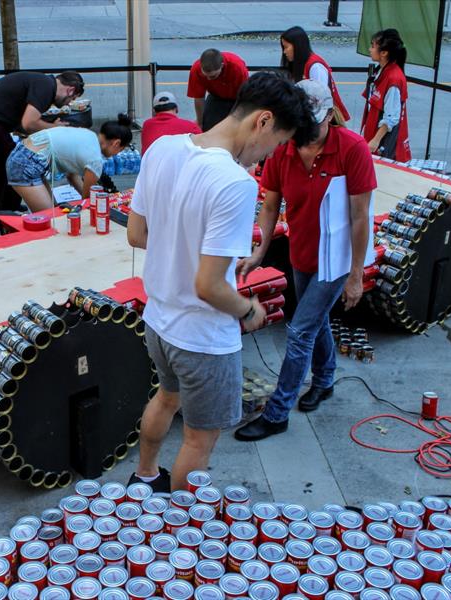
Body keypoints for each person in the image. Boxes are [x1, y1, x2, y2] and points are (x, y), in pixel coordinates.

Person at [126, 72, 316, 492]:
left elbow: (137, 235)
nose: (269, 156)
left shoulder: (163, 148)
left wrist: (181, 245)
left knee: (165, 397)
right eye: (278, 142)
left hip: (158, 321)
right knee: (199, 438)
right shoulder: (234, 183)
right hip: (203, 338)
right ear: (263, 122)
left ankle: (143, 478)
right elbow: (209, 286)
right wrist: (250, 309)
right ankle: (180, 527)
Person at [234, 80, 376, 442]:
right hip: (302, 252)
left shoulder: (352, 149)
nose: (303, 133)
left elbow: (361, 217)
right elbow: (270, 203)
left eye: (310, 125)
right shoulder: (284, 150)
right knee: (315, 322)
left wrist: (356, 274)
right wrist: (260, 251)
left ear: (330, 115)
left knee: (299, 331)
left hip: (338, 259)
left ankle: (277, 412)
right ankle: (325, 379)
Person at [0, 70, 85, 211]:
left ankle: (6, 208)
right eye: (71, 99)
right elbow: (29, 122)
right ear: (70, 90)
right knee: (15, 166)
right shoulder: (46, 88)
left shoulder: (44, 82)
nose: (68, 104)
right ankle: (6, 212)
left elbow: (24, 124)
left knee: (4, 167)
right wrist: (54, 128)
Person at [6, 115, 132, 211]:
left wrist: (85, 197)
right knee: (49, 217)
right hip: (27, 165)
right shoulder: (95, 160)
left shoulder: (87, 134)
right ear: (116, 143)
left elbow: (72, 176)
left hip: (23, 154)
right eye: (120, 150)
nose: (117, 154)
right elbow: (88, 200)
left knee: (54, 210)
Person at [280, 26, 350, 122]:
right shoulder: (300, 64)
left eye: (286, 47)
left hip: (325, 120)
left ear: (297, 46)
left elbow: (320, 100)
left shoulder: (315, 66)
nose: (284, 52)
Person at [362, 29, 411, 163]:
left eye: (373, 46)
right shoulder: (382, 70)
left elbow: (391, 117)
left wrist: (375, 141)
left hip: (384, 143)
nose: (369, 49)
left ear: (384, 53)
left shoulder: (393, 79)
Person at [187, 49, 249, 132]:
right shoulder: (196, 69)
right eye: (206, 76)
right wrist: (200, 122)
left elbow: (245, 96)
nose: (209, 79)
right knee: (207, 128)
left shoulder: (237, 68)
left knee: (234, 129)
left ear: (222, 66)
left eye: (213, 76)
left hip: (237, 98)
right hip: (216, 96)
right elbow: (199, 98)